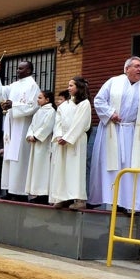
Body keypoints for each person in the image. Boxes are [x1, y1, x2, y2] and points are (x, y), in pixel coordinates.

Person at [88, 56, 140, 212]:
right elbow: (99, 100)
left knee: (128, 166)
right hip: (111, 130)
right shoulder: (113, 82)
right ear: (126, 69)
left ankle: (126, 203)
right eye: (136, 66)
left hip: (130, 135)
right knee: (107, 165)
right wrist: (110, 113)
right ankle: (103, 200)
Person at [0, 60, 40, 202]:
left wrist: (13, 104)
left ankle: (20, 191)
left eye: (21, 69)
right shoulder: (15, 85)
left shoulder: (33, 86)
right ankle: (9, 189)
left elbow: (33, 106)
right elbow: (0, 94)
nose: (18, 71)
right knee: (9, 157)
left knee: (20, 159)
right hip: (11, 125)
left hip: (23, 127)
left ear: (29, 70)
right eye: (17, 68)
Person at [49, 77, 92, 209]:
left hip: (76, 140)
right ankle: (63, 197)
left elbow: (80, 123)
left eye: (71, 85)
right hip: (62, 141)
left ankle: (79, 199)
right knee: (62, 169)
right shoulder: (64, 105)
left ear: (78, 87)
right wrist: (59, 136)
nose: (69, 88)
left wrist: (67, 138)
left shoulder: (84, 104)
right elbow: (58, 122)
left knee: (76, 169)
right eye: (68, 85)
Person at [24, 90, 56, 204]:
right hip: (35, 145)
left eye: (40, 98)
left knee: (43, 169)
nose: (37, 100)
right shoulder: (38, 112)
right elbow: (32, 125)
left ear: (47, 100)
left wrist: (36, 136)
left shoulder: (51, 111)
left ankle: (44, 194)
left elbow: (48, 126)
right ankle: (36, 193)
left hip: (44, 145)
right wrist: (29, 135)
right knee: (35, 169)